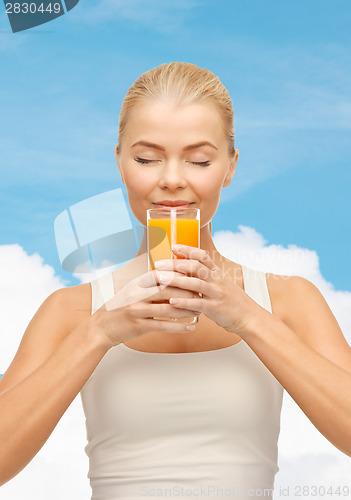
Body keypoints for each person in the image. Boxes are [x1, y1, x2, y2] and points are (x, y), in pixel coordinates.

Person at [0, 62, 350, 500]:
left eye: (199, 159)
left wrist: (248, 317)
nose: (171, 179)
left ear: (229, 167)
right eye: (146, 158)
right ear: (120, 164)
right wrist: (100, 331)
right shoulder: (71, 310)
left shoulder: (288, 299)